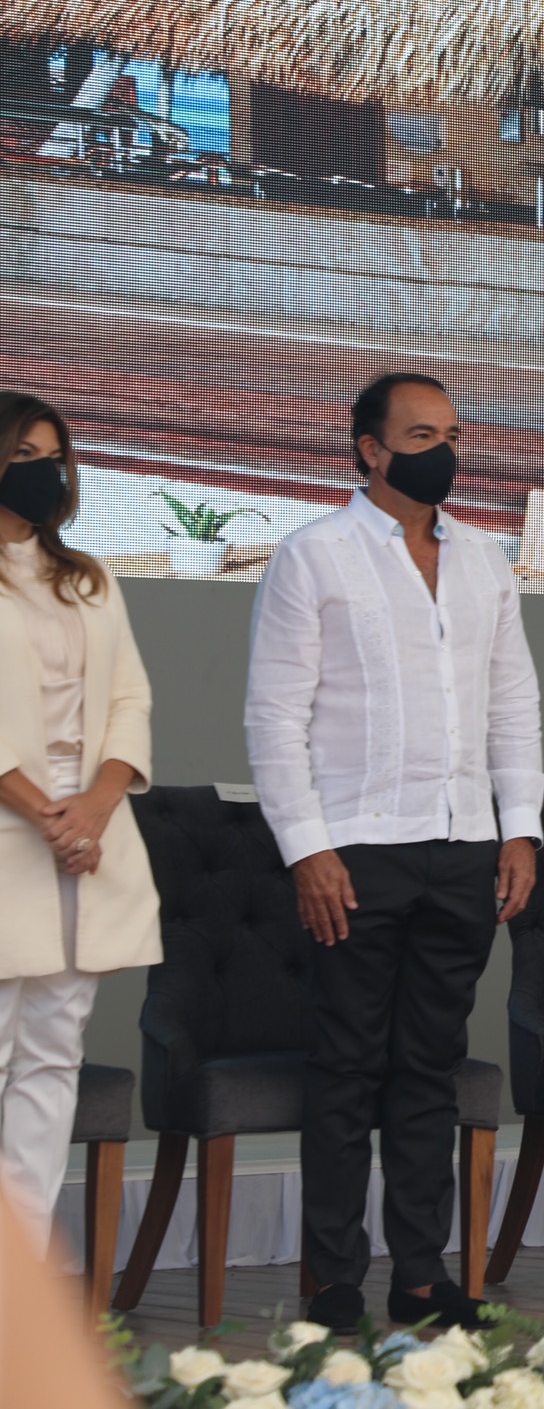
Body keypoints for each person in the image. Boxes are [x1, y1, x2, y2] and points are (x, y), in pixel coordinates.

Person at [246, 372, 543, 1331]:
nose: (442, 450)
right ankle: (334, 1279)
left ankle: (420, 1278)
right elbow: (273, 718)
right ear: (370, 449)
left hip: (463, 848)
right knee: (345, 1066)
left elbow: (513, 704)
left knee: (429, 1068)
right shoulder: (315, 555)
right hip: (355, 850)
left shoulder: (485, 558)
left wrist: (520, 827)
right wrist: (307, 850)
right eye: (420, 435)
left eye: (450, 433)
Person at [0, 392, 160, 1253]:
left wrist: (96, 806)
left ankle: (19, 1266)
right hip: (15, 827)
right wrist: (48, 816)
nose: (43, 471)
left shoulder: (88, 577)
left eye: (54, 456)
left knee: (55, 1050)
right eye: (23, 454)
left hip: (90, 832)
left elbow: (131, 697)